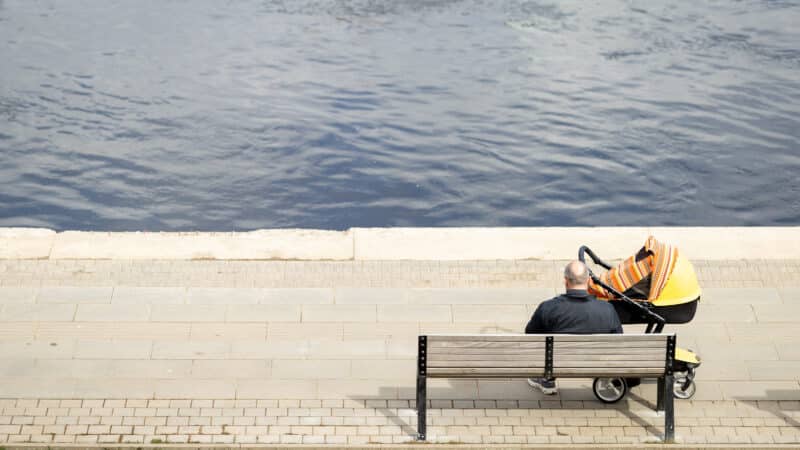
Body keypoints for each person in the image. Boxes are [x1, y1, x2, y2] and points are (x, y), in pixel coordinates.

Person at [524, 260, 623, 395]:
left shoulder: (548, 307)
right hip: (596, 362)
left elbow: (530, 334)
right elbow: (618, 339)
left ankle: (548, 379)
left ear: (566, 281)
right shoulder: (607, 309)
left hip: (556, 363)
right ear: (588, 281)